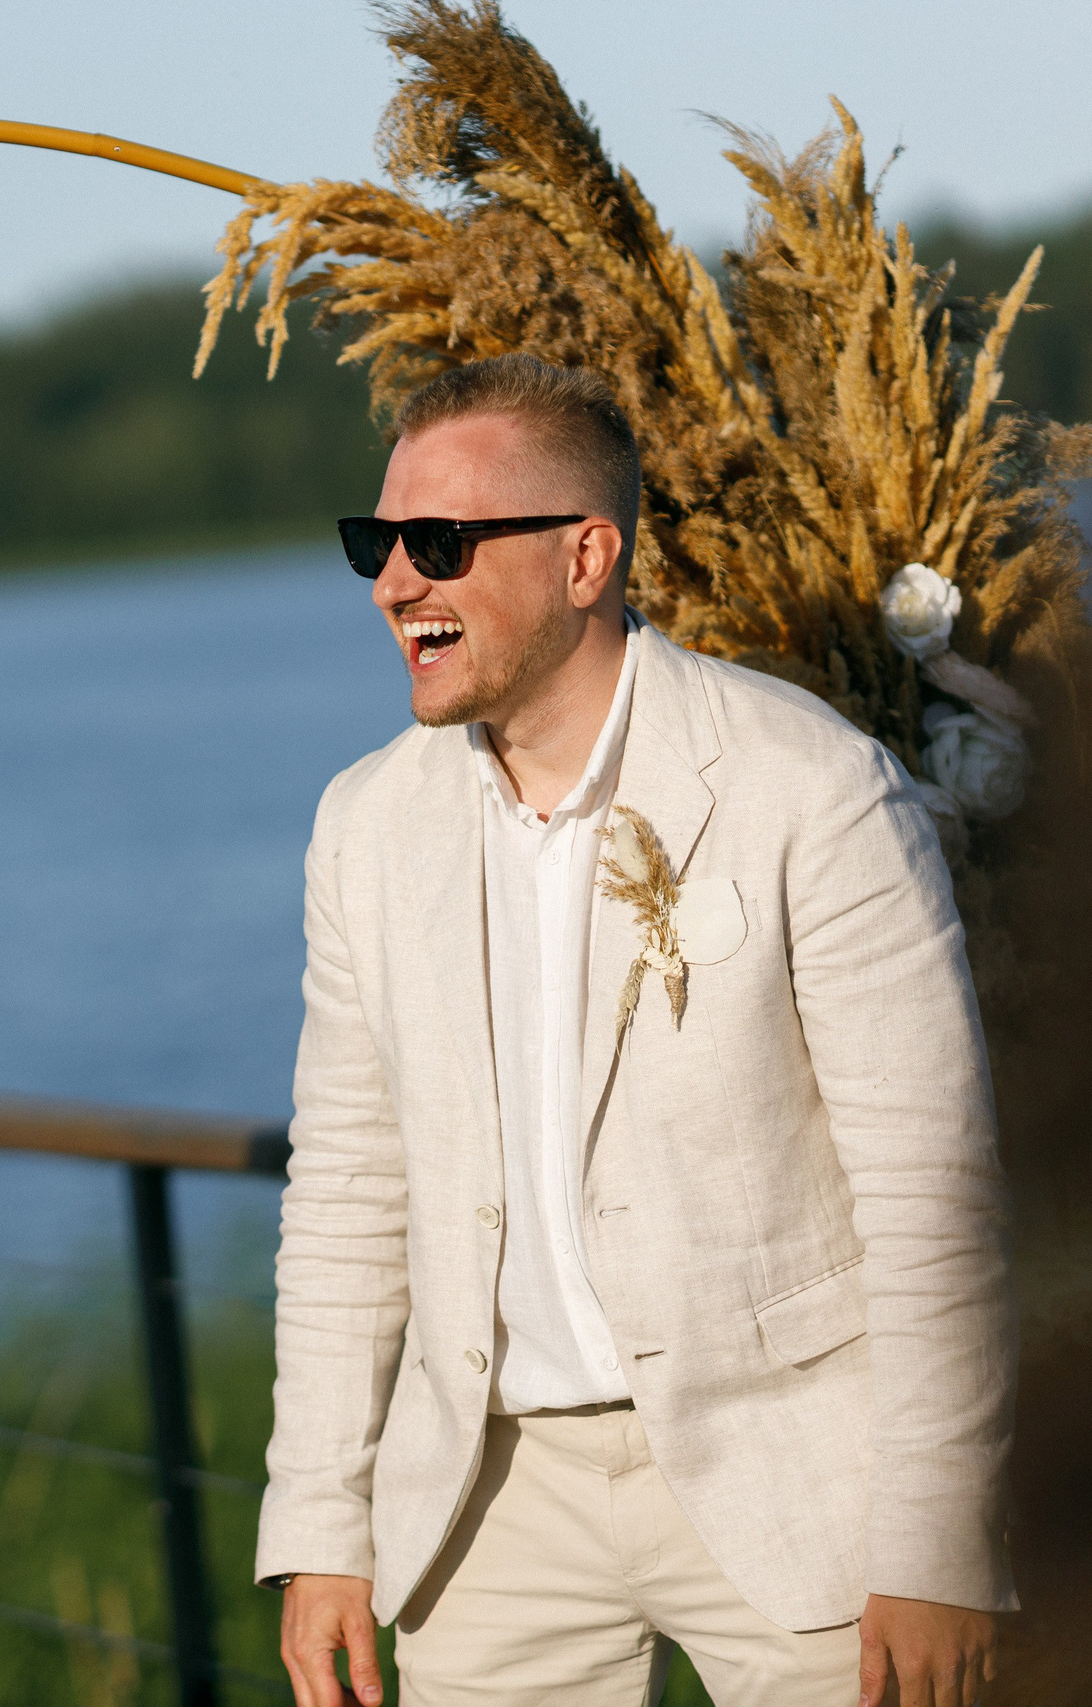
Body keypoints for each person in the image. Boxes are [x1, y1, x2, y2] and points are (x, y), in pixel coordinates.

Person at [260, 354, 1012, 1707]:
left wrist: (938, 1535)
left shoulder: (812, 787)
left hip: (803, 1482)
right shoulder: (364, 825)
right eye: (376, 542)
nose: (393, 584)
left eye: (437, 543)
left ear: (586, 554)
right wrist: (318, 1520)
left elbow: (933, 1198)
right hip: (488, 1506)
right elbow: (348, 1196)